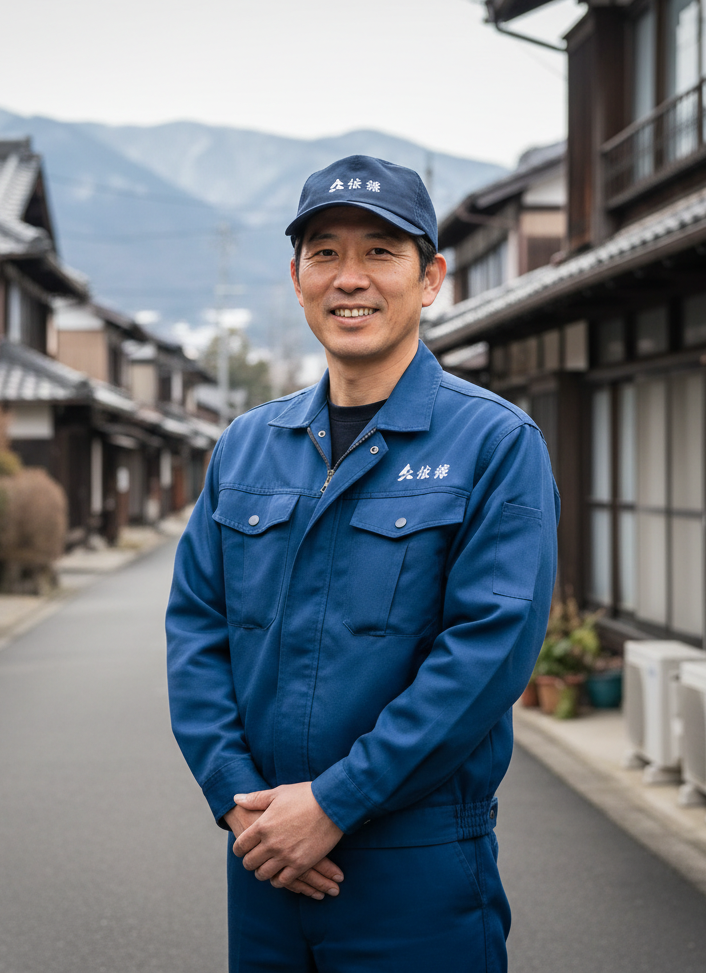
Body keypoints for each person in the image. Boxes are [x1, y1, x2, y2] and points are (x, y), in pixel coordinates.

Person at [166, 155, 558, 972]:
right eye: (325, 253)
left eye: (381, 252)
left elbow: (488, 654)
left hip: (415, 865)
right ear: (297, 277)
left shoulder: (493, 443)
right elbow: (196, 633)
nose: (351, 278)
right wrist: (240, 804)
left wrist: (336, 804)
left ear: (430, 279)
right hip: (266, 855)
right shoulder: (245, 446)